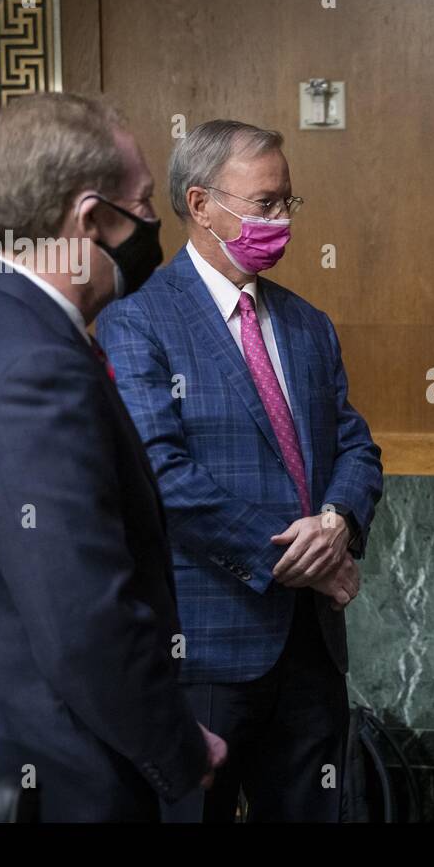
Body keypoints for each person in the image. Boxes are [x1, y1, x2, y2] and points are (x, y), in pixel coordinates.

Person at [0, 92, 225, 822]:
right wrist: (180, 751)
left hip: (1, 750)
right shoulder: (31, 369)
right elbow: (84, 621)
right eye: (142, 205)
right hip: (42, 774)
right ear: (89, 220)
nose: (152, 226)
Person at [96, 119, 382, 822]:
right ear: (201, 205)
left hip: (310, 654)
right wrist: (297, 557)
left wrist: (339, 523)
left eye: (288, 202)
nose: (281, 220)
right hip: (204, 648)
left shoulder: (308, 324)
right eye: (265, 204)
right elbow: (162, 474)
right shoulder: (137, 323)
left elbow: (357, 447)